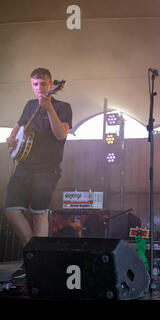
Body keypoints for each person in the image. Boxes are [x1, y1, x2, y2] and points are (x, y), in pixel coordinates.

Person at [5, 68, 72, 279]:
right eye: (35, 84)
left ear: (52, 84)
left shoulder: (63, 107)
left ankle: (34, 263)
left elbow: (61, 134)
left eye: (43, 84)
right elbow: (20, 125)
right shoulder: (29, 105)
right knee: (11, 210)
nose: (39, 88)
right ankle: (36, 256)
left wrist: (50, 109)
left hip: (47, 168)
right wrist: (12, 137)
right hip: (24, 166)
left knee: (38, 214)